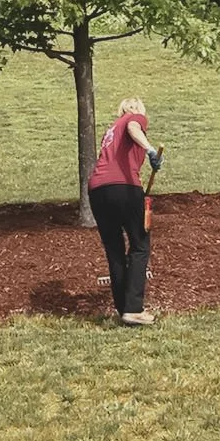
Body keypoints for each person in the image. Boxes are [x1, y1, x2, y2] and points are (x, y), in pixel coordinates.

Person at [87, 97, 165, 325]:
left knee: (114, 249)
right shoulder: (133, 119)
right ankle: (133, 308)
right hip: (124, 188)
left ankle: (123, 309)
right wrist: (150, 150)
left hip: (98, 190)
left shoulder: (110, 132)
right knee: (140, 245)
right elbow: (133, 127)